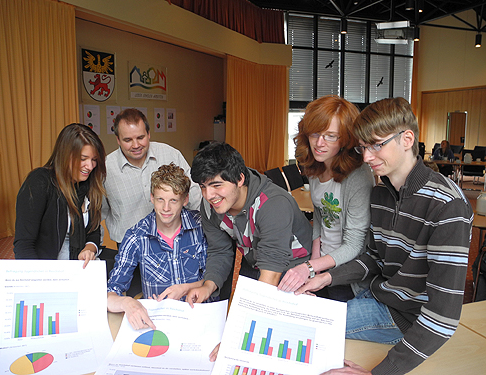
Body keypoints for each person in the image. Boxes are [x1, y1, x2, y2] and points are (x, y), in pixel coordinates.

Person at [296, 98, 473, 375]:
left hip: (404, 317)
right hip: (377, 295)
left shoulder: (447, 205)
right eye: (363, 147)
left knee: (308, 323)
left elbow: (443, 317)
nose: (366, 157)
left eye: (377, 145)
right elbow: (375, 258)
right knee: (304, 314)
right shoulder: (381, 194)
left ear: (407, 138)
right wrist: (326, 277)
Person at [185, 142, 313, 305]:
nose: (209, 195)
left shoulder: (273, 204)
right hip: (254, 261)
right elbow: (220, 250)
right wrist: (208, 286)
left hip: (293, 267)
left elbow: (272, 268)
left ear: (239, 179)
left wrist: (256, 308)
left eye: (216, 185)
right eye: (203, 187)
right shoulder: (209, 206)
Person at [278, 96, 374, 301]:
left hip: (345, 271)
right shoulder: (315, 166)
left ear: (346, 139)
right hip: (321, 262)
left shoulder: (359, 176)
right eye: (315, 134)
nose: (319, 144)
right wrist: (314, 259)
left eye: (331, 136)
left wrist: (310, 267)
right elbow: (320, 215)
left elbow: (354, 245)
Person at [102, 108, 202, 294]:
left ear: (148, 134)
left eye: (140, 137)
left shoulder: (170, 154)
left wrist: (202, 230)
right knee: (141, 300)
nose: (135, 145)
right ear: (117, 140)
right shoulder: (105, 169)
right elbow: (96, 212)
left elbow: (194, 195)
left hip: (177, 242)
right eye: (127, 140)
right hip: (129, 248)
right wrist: (93, 246)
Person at [107, 163, 208, 330]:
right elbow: (110, 293)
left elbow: (216, 279)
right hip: (160, 324)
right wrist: (126, 302)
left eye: (173, 200)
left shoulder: (202, 227)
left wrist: (186, 289)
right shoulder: (136, 236)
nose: (166, 208)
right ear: (152, 197)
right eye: (160, 199)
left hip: (201, 317)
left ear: (185, 200)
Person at [14, 123, 106, 268]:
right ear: (65, 155)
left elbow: (93, 231)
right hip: (48, 271)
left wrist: (89, 248)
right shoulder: (40, 182)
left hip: (80, 269)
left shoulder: (89, 185)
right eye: (83, 159)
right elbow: (24, 245)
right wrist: (39, 279)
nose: (90, 166)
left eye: (94, 159)